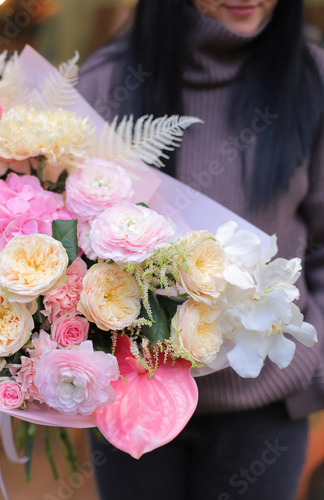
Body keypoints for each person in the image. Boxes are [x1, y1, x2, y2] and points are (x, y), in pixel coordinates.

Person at [77, 1, 324, 499]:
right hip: (132, 401)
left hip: (264, 410)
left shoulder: (312, 78)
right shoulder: (104, 83)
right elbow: (69, 243)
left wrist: (313, 357)